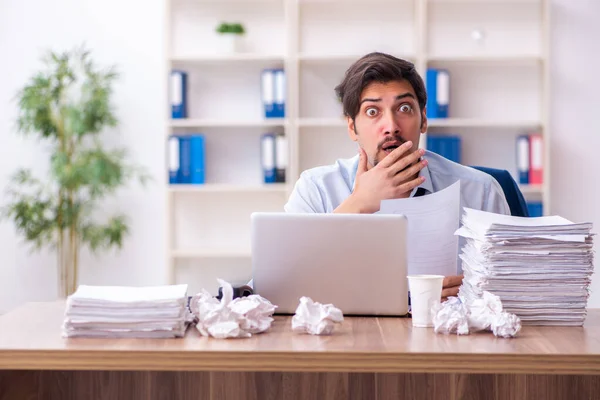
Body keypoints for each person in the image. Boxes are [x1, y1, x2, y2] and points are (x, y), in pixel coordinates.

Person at [284, 52, 511, 300]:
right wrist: (359, 204)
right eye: (372, 112)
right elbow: (276, 285)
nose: (391, 126)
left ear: (423, 119)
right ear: (352, 127)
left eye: (404, 108)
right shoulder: (316, 188)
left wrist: (478, 290)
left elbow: (516, 287)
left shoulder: (481, 191)